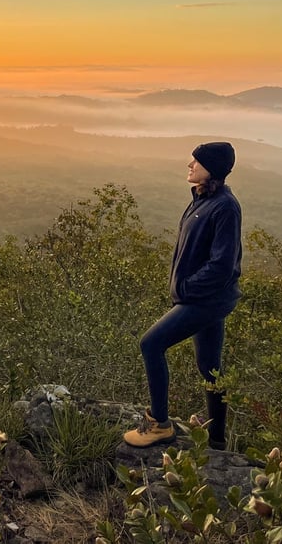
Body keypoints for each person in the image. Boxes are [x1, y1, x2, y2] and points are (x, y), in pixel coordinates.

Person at [123, 141, 242, 450]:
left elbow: (222, 264)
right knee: (210, 367)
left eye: (196, 162)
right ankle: (216, 439)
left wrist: (186, 288)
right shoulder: (201, 200)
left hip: (206, 300)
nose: (190, 165)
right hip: (206, 298)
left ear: (211, 169)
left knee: (151, 344)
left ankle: (159, 424)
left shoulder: (225, 207)